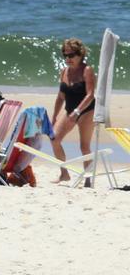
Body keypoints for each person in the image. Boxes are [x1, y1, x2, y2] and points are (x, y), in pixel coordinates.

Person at [51, 38, 96, 186]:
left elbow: (90, 95)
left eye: (71, 55)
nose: (68, 59)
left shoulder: (87, 70)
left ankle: (88, 179)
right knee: (54, 139)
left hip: (86, 111)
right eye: (65, 55)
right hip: (69, 110)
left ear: (80, 54)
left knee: (84, 146)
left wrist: (77, 112)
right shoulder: (64, 71)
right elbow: (60, 96)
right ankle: (64, 174)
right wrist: (54, 115)